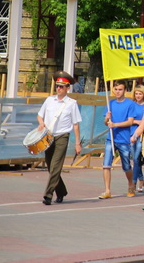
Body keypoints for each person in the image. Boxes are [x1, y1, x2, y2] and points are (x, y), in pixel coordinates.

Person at [37, 71, 82, 205]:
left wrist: (77, 143)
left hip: (62, 136)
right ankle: (61, 191)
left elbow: (75, 125)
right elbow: (40, 115)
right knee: (51, 167)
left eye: (62, 86)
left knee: (56, 166)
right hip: (48, 136)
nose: (58, 88)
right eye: (57, 86)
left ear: (68, 88)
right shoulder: (49, 100)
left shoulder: (72, 103)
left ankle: (48, 195)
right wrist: (41, 123)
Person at [99, 80, 136, 199]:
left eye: (120, 89)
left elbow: (130, 121)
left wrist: (116, 125)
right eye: (116, 89)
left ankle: (131, 184)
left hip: (124, 139)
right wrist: (107, 119)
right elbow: (106, 122)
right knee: (106, 164)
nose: (118, 92)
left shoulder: (130, 104)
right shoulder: (110, 103)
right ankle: (107, 190)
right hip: (111, 138)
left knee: (126, 166)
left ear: (125, 90)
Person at [131, 84, 144, 193]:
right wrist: (136, 121)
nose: (138, 96)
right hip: (132, 133)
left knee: (137, 158)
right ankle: (141, 178)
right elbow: (128, 119)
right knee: (135, 159)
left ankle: (133, 182)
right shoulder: (131, 105)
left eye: (140, 93)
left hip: (143, 135)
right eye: (136, 93)